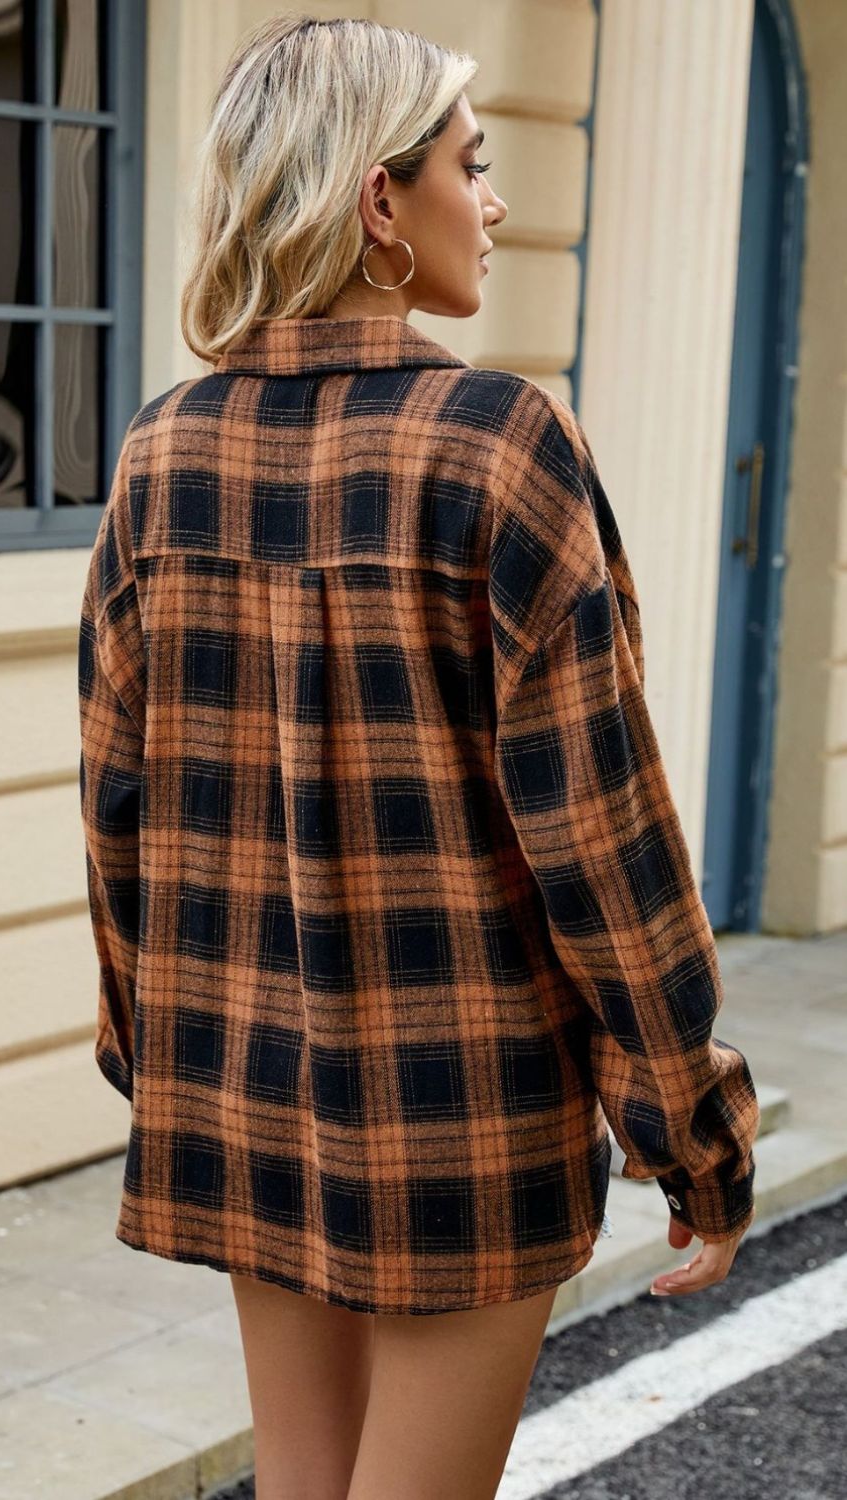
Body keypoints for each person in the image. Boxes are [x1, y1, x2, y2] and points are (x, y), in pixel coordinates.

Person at [77, 14, 761, 1499]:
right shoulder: (498, 443)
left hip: (244, 1083)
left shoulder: (162, 451)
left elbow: (115, 802)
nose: (494, 201)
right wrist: (692, 1130)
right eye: (471, 163)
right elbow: (602, 839)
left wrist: (155, 1050)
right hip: (460, 1111)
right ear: (379, 200)